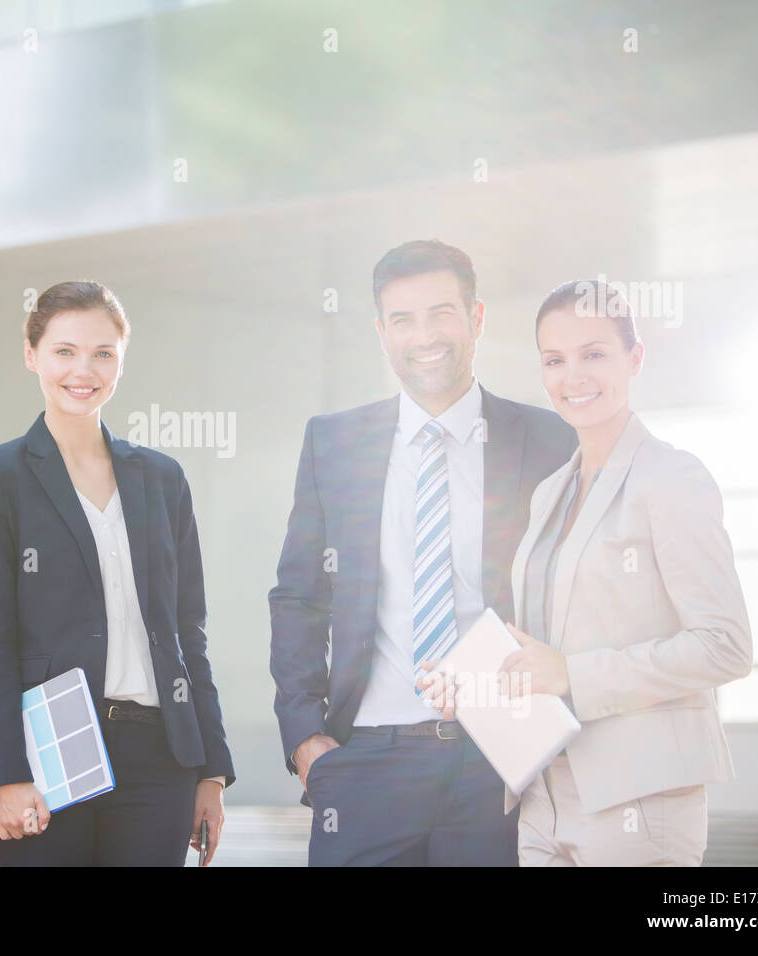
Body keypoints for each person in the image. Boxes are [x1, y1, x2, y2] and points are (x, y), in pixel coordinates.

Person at [269, 239, 577, 866]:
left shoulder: (548, 440)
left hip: (499, 761)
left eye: (441, 313)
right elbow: (299, 596)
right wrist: (305, 736)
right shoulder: (335, 442)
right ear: (382, 332)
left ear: (477, 317)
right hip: (365, 761)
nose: (424, 335)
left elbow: (578, 594)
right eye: (403, 319)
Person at [0, 280, 235, 866]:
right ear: (31, 354)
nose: (84, 369)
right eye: (64, 351)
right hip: (45, 754)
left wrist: (210, 770)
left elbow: (189, 633)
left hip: (159, 757)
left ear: (121, 362)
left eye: (103, 353)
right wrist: (3, 773)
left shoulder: (162, 479)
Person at [491, 279, 751, 865]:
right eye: (554, 360)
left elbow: (725, 646)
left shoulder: (671, 478)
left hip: (639, 798)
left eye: (594, 354)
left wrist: (573, 675)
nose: (572, 376)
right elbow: (548, 649)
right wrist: (479, 679)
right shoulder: (550, 493)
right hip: (543, 797)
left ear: (635, 359)